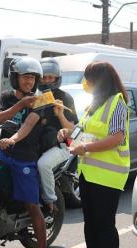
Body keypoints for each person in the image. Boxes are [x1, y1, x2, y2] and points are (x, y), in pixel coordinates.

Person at [58, 61, 130, 248]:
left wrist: (85, 148)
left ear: (101, 80)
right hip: (88, 173)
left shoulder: (117, 102)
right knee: (91, 222)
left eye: (89, 78)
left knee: (105, 226)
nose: (85, 83)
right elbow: (79, 133)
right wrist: (64, 128)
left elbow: (117, 138)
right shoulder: (94, 105)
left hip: (109, 176)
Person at [0, 57, 50, 248]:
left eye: (33, 77)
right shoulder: (7, 97)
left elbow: (27, 126)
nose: (29, 81)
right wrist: (19, 105)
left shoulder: (41, 100)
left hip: (24, 158)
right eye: (25, 77)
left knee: (32, 206)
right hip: (3, 153)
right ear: (14, 78)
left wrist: (13, 140)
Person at [36, 58, 78, 222]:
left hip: (60, 146)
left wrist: (60, 114)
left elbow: (71, 130)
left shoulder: (65, 98)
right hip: (39, 144)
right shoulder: (38, 98)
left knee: (43, 165)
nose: (47, 81)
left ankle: (50, 202)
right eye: (44, 77)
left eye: (50, 77)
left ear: (57, 78)